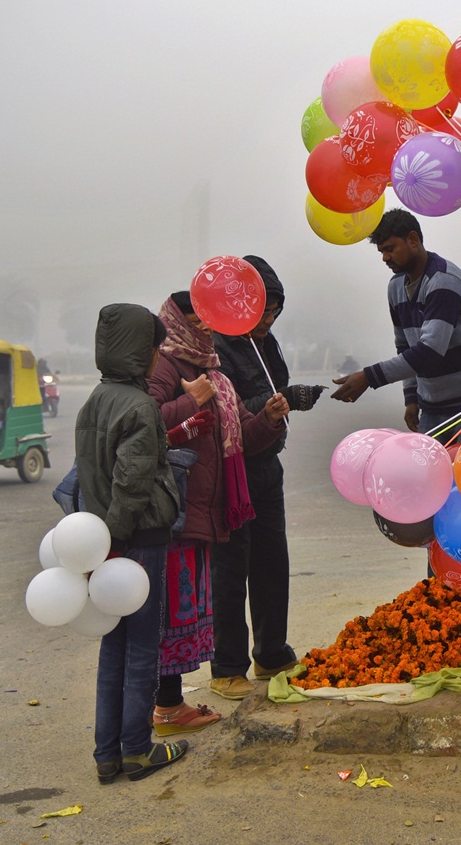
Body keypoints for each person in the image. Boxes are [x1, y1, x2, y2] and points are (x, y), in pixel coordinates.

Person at [146, 293, 289, 730]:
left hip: (222, 494)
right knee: (186, 603)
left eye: (207, 321)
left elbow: (239, 431)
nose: (206, 329)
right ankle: (188, 692)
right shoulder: (165, 365)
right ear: (175, 322)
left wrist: (266, 416)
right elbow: (146, 421)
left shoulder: (211, 364)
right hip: (182, 500)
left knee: (242, 580)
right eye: (196, 321)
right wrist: (192, 400)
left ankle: (175, 701)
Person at [74, 303, 187, 783]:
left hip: (103, 541)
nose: (159, 355)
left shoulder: (95, 400)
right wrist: (120, 540)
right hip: (136, 542)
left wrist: (104, 543)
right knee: (142, 646)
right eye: (153, 347)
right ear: (136, 352)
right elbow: (132, 480)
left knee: (112, 646)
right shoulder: (139, 406)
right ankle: (138, 751)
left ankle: (107, 754)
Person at [210, 257, 325, 700]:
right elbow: (231, 405)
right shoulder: (219, 344)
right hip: (231, 470)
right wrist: (279, 401)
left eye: (275, 311)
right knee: (231, 568)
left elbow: (276, 387)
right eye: (262, 312)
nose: (269, 320)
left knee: (272, 562)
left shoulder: (267, 342)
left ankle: (271, 652)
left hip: (266, 464)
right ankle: (227, 666)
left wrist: (291, 399)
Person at [331, 208, 461, 445]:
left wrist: (368, 377)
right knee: (433, 478)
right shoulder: (396, 287)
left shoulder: (444, 280)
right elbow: (405, 345)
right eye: (381, 252)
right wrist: (411, 398)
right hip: (432, 407)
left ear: (413, 240)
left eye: (390, 249)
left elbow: (429, 352)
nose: (384, 258)